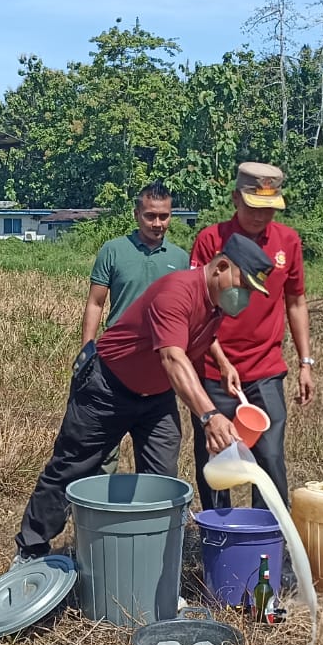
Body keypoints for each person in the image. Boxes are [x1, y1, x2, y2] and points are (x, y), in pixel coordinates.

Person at [13, 233, 274, 563]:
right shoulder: (176, 291)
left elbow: (195, 342)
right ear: (221, 267)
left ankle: (151, 559)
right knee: (72, 466)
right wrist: (209, 416)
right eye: (245, 286)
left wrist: (222, 364)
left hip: (156, 399)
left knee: (162, 482)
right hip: (106, 388)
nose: (246, 296)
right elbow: (172, 358)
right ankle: (31, 549)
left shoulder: (214, 305)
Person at [189, 162, 315, 510]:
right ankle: (221, 534)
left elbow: (296, 302)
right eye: (253, 207)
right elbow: (197, 309)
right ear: (235, 199)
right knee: (216, 460)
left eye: (269, 208)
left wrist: (305, 362)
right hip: (213, 372)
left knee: (271, 456)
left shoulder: (288, 241)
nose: (261, 216)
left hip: (266, 370)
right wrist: (220, 359)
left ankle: (270, 540)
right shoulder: (210, 240)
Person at [81, 181, 187, 472]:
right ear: (136, 214)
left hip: (159, 372)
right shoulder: (113, 251)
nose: (157, 223)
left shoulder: (180, 259)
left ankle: (154, 515)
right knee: (100, 461)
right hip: (114, 368)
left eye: (163, 216)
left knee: (162, 469)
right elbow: (95, 303)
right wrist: (87, 351)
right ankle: (99, 514)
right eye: (150, 216)